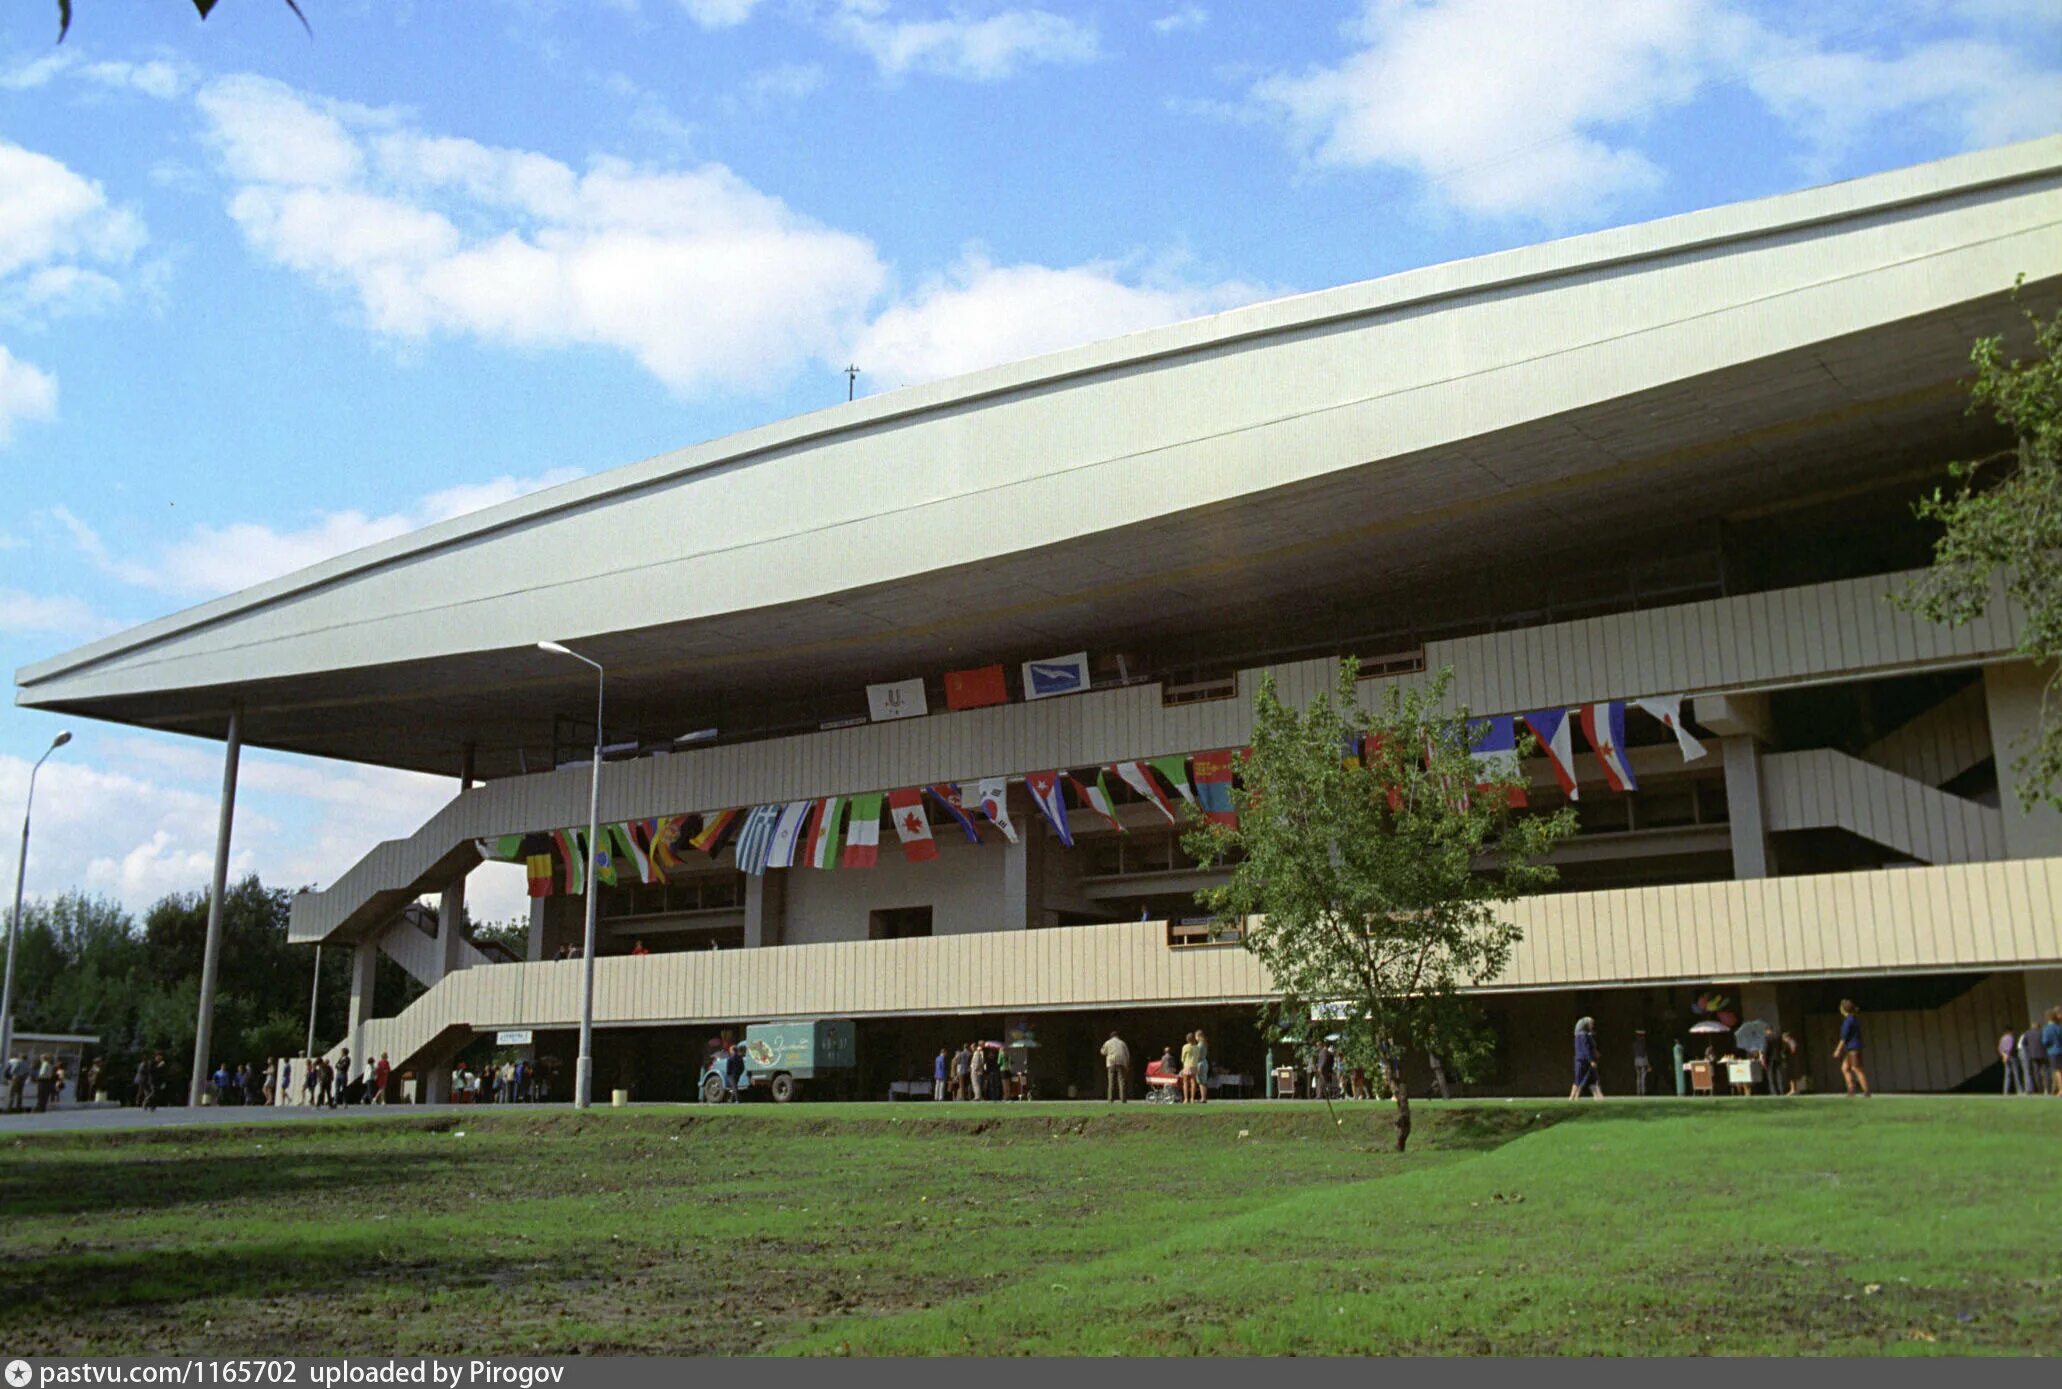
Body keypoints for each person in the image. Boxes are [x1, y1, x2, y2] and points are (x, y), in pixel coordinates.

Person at [1833, 999, 1870, 1097]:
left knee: (1857, 1068)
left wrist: (1838, 1050)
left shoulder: (1848, 1021)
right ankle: (1851, 1089)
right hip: (1850, 1049)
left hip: (1853, 1048)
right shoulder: (1853, 1019)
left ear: (1843, 1009)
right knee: (1845, 1068)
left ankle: (1866, 1091)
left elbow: (1843, 1037)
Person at [1569, 1018, 1602, 1100]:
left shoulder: (1581, 1035)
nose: (1592, 1026)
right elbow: (1585, 1049)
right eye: (1591, 1024)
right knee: (1580, 1078)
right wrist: (1591, 1060)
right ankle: (1573, 1096)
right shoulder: (1583, 1036)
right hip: (1583, 1060)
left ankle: (1597, 1096)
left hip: (1582, 1059)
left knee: (1591, 1079)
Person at [1101, 1031, 1131, 1102]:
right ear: (1118, 1036)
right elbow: (1127, 1054)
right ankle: (1123, 1099)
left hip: (1111, 1062)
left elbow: (1103, 1052)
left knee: (1111, 1081)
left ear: (1111, 1036)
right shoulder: (1122, 1043)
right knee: (1121, 1080)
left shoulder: (1108, 1042)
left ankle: (1110, 1099)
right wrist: (1127, 1065)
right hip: (1121, 1062)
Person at [2044, 1006, 2062, 1097]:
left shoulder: (2047, 1029)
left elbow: (2045, 1041)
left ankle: (2061, 1089)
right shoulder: (2059, 1027)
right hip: (2061, 1050)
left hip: (2053, 1052)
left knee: (2058, 1071)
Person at [2000, 1028, 2024, 1094]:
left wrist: (2004, 1055)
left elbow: (2000, 1048)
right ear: (2010, 1031)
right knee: (2016, 1074)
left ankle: (2006, 1091)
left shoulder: (2002, 1038)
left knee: (2007, 1075)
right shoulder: (2011, 1038)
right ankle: (2020, 1090)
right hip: (2012, 1057)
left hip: (2005, 1057)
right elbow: (2010, 1047)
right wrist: (2007, 1055)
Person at [1178, 1032, 1197, 1103]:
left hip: (1187, 1065)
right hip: (1194, 1066)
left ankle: (1186, 1099)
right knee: (1193, 1082)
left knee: (1185, 1082)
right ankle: (1192, 1099)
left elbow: (1182, 1058)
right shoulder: (1197, 1047)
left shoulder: (1185, 1047)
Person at [1192, 1030, 1210, 1103]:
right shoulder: (1204, 1044)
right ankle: (1204, 1097)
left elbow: (1197, 1055)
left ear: (1198, 1036)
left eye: (1196, 1036)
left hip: (1200, 1063)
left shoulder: (1200, 1045)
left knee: (1201, 1081)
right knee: (1203, 1081)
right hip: (1204, 1062)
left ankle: (1203, 1098)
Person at [1632, 1030, 1650, 1096]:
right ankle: (1643, 1091)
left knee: (1638, 1077)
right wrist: (1648, 1064)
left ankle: (1638, 1091)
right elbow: (1645, 1054)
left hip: (1636, 1060)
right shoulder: (1644, 1044)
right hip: (1642, 1060)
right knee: (1643, 1077)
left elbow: (1633, 1053)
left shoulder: (1634, 1043)